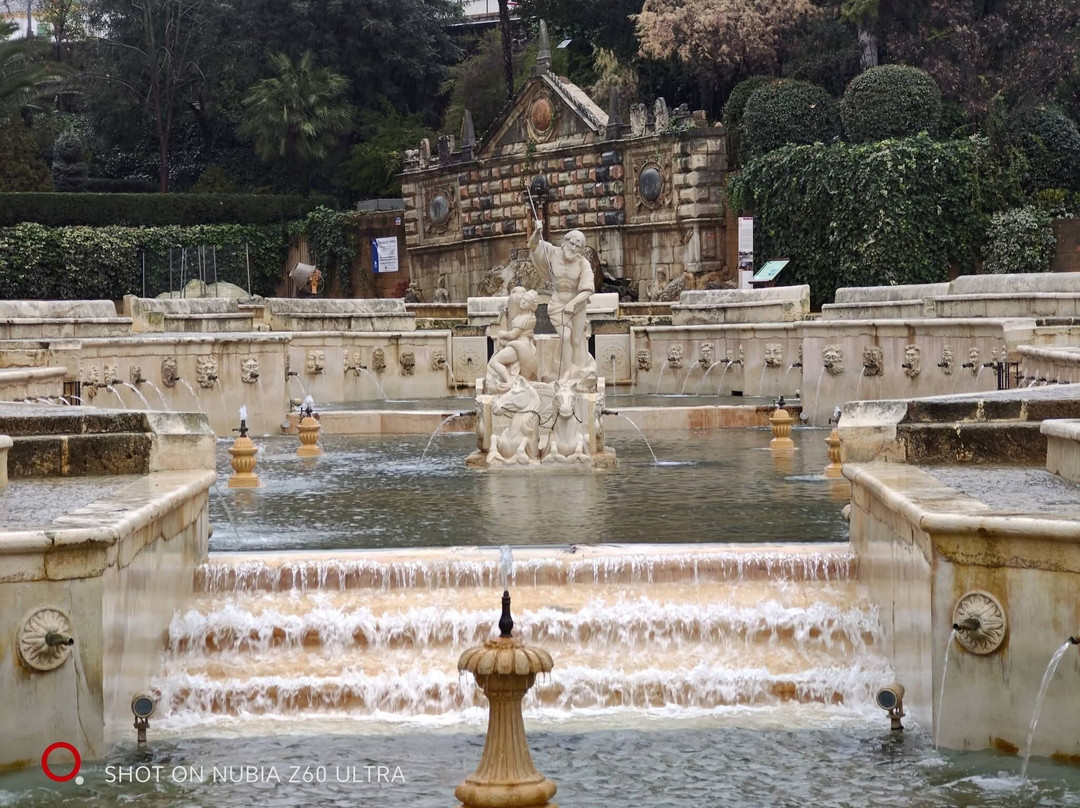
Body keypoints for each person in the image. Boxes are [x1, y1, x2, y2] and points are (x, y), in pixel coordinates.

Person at [528, 219, 595, 381]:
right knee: (565, 337)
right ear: (565, 241)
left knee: (577, 340)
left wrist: (573, 303)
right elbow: (533, 245)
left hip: (577, 305)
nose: (574, 248)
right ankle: (567, 373)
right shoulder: (552, 252)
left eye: (578, 246)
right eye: (572, 244)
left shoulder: (583, 263)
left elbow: (588, 290)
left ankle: (579, 372)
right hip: (558, 304)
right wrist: (537, 231)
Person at [486, 286, 539, 392]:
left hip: (519, 345)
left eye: (527, 301)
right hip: (522, 343)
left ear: (532, 306)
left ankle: (509, 381)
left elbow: (512, 335)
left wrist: (502, 334)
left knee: (494, 361)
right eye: (523, 298)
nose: (523, 301)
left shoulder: (524, 319)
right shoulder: (525, 316)